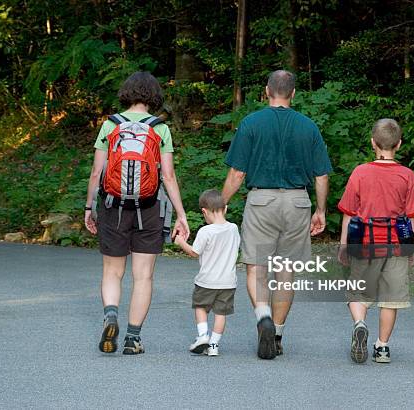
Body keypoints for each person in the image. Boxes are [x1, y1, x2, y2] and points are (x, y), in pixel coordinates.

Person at [222, 70, 332, 360]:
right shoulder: (308, 127)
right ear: (293, 93)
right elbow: (321, 175)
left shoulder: (251, 123)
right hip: (297, 202)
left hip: (261, 201)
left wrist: (221, 203)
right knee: (286, 273)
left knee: (257, 268)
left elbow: (237, 173)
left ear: (267, 91)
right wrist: (320, 210)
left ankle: (263, 317)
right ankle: (278, 334)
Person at [84, 71, 189, 355]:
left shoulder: (109, 125)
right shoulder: (160, 129)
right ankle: (132, 339)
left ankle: (110, 316)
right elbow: (168, 176)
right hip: (149, 208)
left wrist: (88, 208)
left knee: (112, 271)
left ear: (126, 93)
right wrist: (181, 214)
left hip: (112, 208)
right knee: (143, 276)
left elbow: (97, 172)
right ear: (153, 95)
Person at [337, 118, 414, 364]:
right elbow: (413, 218)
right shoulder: (407, 176)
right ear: (398, 144)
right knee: (391, 297)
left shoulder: (360, 172)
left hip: (363, 242)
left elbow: (349, 212)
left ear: (372, 143)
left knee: (357, 292)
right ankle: (382, 347)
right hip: (396, 245)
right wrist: (410, 247)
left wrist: (344, 245)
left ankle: (359, 323)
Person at [174, 189, 240, 357]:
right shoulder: (233, 229)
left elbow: (195, 252)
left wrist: (181, 242)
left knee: (200, 307)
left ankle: (203, 336)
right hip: (228, 282)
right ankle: (213, 345)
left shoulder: (206, 231)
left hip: (206, 281)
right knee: (221, 313)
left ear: (204, 212)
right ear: (225, 209)